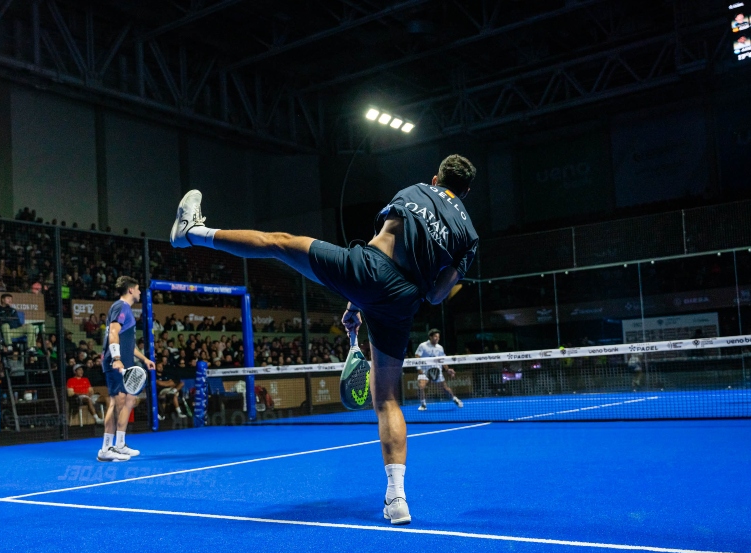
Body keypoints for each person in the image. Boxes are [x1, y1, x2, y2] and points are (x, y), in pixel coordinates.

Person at [170, 154, 479, 525]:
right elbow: (435, 295)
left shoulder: (416, 190)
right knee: (389, 399)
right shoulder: (469, 236)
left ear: (436, 178)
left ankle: (191, 232)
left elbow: (380, 243)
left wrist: (357, 296)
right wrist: (366, 303)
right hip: (403, 300)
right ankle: (397, 499)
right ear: (467, 193)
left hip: (367, 271)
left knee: (279, 243)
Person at [98, 276, 156, 462]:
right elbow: (113, 333)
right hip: (116, 362)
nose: (140, 292)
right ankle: (106, 448)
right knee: (117, 402)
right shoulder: (121, 306)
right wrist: (116, 358)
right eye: (138, 289)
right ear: (131, 290)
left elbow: (128, 344)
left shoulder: (127, 311)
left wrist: (145, 359)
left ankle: (120, 444)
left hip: (125, 362)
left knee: (129, 400)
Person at [415, 329, 462, 411]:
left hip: (437, 371)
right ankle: (423, 404)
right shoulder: (423, 346)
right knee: (421, 386)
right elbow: (417, 356)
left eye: (438, 337)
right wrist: (419, 368)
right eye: (435, 336)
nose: (437, 338)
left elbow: (443, 360)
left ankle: (454, 398)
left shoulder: (440, 348)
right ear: (430, 337)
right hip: (425, 371)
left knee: (445, 388)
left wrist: (447, 370)